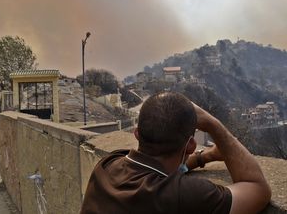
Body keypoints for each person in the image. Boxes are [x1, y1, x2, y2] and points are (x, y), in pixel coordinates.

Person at [81, 92, 271, 214]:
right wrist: (213, 124)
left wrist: (204, 157)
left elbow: (159, 172)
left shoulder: (108, 164)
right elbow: (257, 189)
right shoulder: (184, 195)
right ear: (190, 145)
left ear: (137, 134)